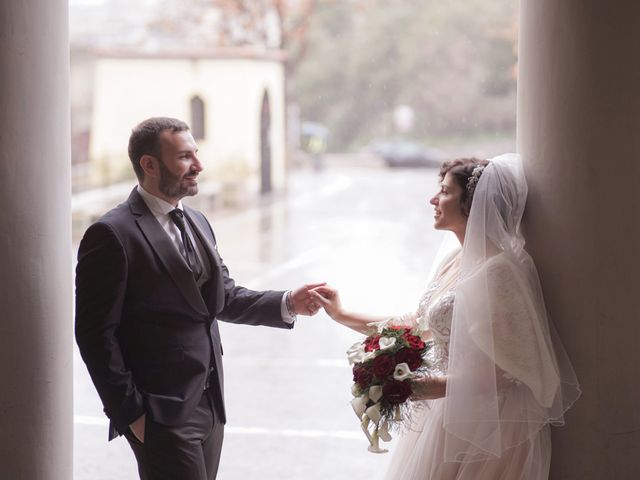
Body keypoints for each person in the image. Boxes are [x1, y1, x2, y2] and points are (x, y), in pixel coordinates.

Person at [75, 117, 323, 480]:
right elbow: (95, 335)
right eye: (184, 157)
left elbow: (224, 298)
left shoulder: (198, 221)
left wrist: (288, 302)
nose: (198, 166)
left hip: (210, 406)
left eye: (196, 154)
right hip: (158, 413)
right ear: (149, 164)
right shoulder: (111, 234)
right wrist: (132, 414)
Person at [312, 154, 581, 479]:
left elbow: (505, 373)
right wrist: (341, 313)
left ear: (473, 203)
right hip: (447, 411)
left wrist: (423, 387)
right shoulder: (456, 260)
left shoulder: (499, 272)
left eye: (444, 191)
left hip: (489, 427)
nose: (433, 199)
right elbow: (416, 323)